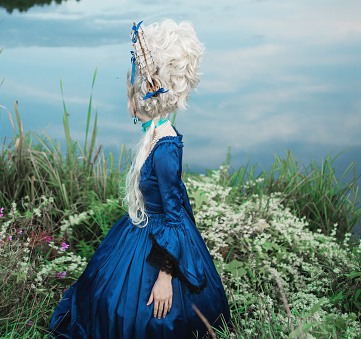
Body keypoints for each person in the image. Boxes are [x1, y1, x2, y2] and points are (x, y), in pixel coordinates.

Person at [49, 19, 231, 339]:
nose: (128, 99)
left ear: (141, 96)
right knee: (104, 293)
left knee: (148, 317)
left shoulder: (165, 147)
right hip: (144, 229)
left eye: (130, 90)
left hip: (163, 241)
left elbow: (174, 217)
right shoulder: (153, 133)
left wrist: (165, 277)